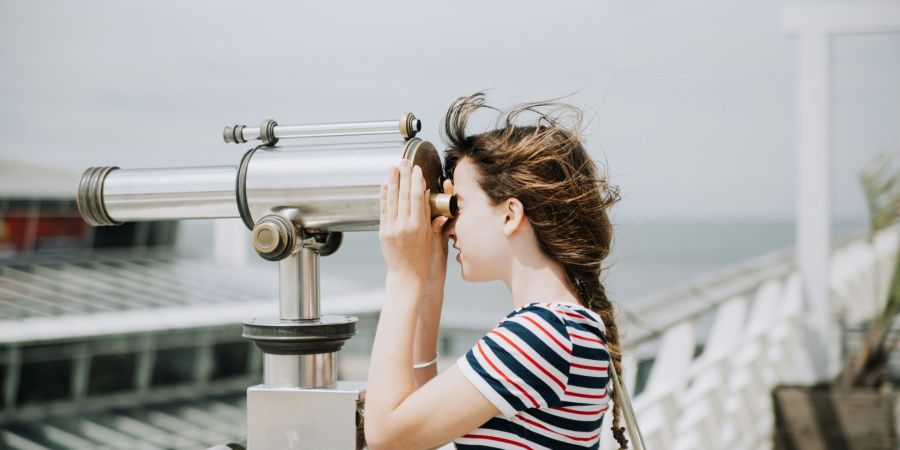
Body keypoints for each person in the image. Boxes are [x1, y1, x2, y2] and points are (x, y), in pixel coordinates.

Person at [364, 93, 628, 450]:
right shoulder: (566, 327)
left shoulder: (541, 335)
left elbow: (386, 436)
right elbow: (418, 433)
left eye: (460, 205)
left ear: (509, 214)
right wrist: (429, 283)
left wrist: (402, 275)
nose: (451, 225)